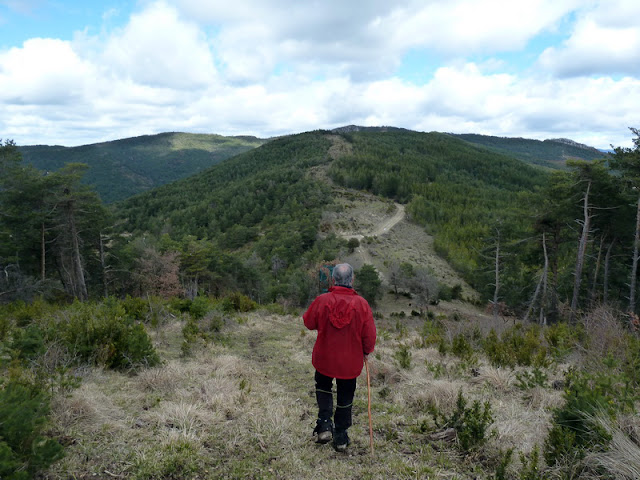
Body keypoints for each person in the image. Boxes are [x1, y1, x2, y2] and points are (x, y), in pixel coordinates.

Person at [303, 263, 377, 452]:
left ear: (334, 279)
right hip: (350, 361)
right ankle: (341, 436)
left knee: (323, 387)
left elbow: (308, 322)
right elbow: (369, 334)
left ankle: (325, 426)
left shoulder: (322, 300)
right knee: (346, 395)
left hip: (325, 357)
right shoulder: (361, 304)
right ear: (351, 280)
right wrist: (367, 350)